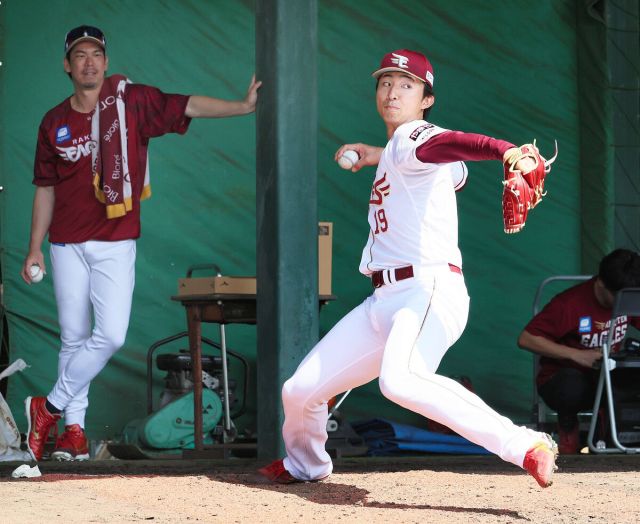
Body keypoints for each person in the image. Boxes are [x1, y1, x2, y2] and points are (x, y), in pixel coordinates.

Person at [258, 49, 558, 488]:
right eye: (385, 83)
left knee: (401, 381)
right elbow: (447, 167)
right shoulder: (403, 151)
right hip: (384, 299)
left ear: (426, 100)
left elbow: (450, 143)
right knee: (300, 391)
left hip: (426, 290)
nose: (392, 92)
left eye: (406, 85)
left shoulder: (415, 135)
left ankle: (526, 444)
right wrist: (376, 154)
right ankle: (306, 465)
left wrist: (505, 151)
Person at [20, 25, 261, 461]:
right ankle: (73, 431)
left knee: (110, 335)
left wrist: (242, 107)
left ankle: (47, 408)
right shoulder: (54, 122)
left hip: (115, 240)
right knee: (73, 339)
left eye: (96, 54)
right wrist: (35, 246)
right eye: (80, 55)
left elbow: (186, 105)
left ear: (106, 62)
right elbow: (45, 188)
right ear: (67, 65)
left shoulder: (130, 102)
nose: (90, 62)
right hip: (66, 243)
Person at [518, 248, 640, 454]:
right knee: (571, 385)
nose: (624, 304)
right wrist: (577, 355)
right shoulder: (569, 304)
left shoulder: (629, 297)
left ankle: (610, 436)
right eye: (618, 297)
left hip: (608, 378)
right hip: (565, 379)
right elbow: (526, 338)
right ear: (601, 284)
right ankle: (568, 428)